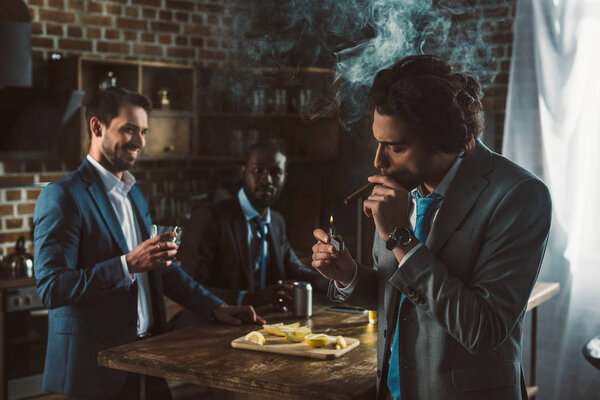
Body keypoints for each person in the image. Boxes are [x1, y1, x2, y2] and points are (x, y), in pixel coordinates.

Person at [311, 55, 552, 400]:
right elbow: (403, 298)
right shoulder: (403, 187)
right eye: (378, 142)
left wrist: (400, 238)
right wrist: (348, 274)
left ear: (444, 141)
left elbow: (483, 329)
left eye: (396, 147)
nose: (378, 162)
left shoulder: (519, 196)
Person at [33, 87, 264, 400]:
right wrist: (127, 265)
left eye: (143, 131)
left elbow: (162, 271)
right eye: (129, 129)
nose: (140, 142)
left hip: (148, 359)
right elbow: (51, 288)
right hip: (96, 369)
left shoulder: (134, 193)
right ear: (97, 127)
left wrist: (217, 308)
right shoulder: (62, 196)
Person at [180, 141, 328, 313]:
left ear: (285, 177)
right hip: (212, 326)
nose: (267, 180)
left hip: (264, 325)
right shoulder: (210, 219)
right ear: (243, 172)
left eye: (276, 172)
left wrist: (340, 282)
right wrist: (248, 299)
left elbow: (296, 270)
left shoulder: (276, 221)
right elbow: (190, 287)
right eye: (258, 170)